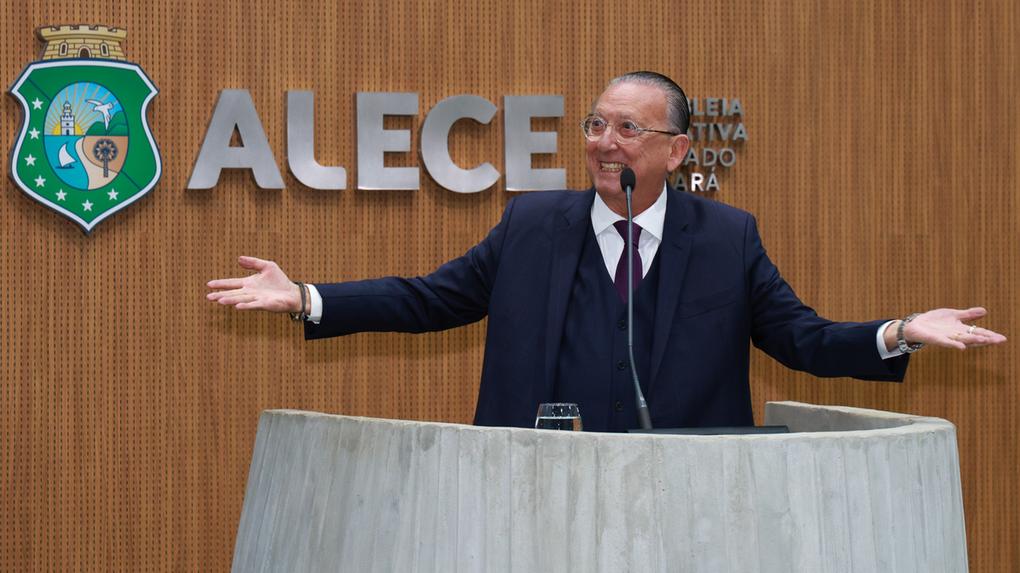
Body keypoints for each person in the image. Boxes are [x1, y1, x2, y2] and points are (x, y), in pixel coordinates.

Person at [207, 71, 1006, 431]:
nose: (604, 141)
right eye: (595, 124)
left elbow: (802, 339)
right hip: (537, 494)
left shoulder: (726, 239)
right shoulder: (532, 224)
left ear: (677, 150)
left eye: (628, 128)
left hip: (686, 506)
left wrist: (899, 331)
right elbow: (429, 298)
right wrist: (307, 297)